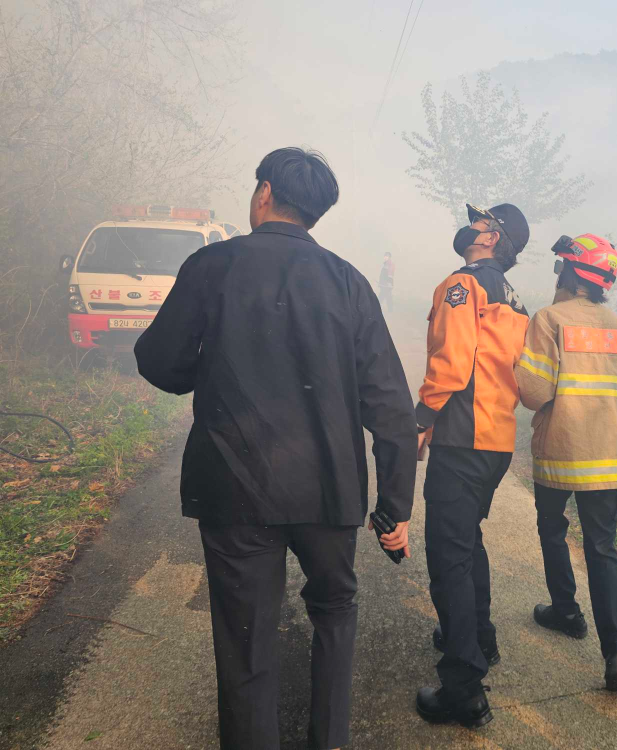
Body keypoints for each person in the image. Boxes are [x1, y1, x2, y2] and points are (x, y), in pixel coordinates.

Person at [134, 147, 417, 750]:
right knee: (335, 616)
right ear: (316, 214)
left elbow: (160, 362)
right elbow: (391, 405)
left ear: (264, 193)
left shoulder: (211, 266)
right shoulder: (349, 281)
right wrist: (395, 508)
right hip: (330, 491)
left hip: (235, 491)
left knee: (245, 641)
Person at [414, 203, 530, 727]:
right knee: (468, 539)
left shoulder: (462, 285)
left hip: (461, 440)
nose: (470, 228)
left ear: (493, 237)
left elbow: (454, 361)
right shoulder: (515, 298)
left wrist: (421, 416)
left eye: (480, 223)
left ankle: (464, 688)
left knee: (448, 554)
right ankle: (479, 636)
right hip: (496, 439)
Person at [514, 233, 617, 691]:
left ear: (568, 273)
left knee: (553, 530)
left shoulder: (548, 319)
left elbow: (533, 393)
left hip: (562, 451)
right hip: (608, 456)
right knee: (603, 550)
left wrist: (516, 366)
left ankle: (566, 611)